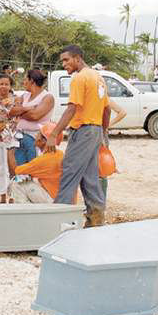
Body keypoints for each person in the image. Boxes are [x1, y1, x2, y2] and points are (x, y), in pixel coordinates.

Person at [46, 45, 110, 227]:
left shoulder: (79, 78)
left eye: (66, 60)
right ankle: (96, 220)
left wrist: (54, 134)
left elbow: (72, 108)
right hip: (95, 130)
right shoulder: (98, 78)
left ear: (77, 58)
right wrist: (103, 133)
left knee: (69, 173)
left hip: (82, 131)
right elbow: (106, 109)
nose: (64, 64)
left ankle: (58, 222)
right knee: (89, 178)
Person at [9, 122, 64, 203]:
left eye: (38, 133)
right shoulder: (59, 154)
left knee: (18, 184)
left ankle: (22, 213)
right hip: (59, 198)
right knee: (30, 182)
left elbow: (14, 170)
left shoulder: (44, 159)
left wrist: (10, 146)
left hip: (53, 201)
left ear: (43, 141)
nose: (35, 136)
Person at [9, 69, 55, 167]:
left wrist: (20, 112)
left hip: (36, 138)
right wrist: (27, 108)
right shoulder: (25, 95)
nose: (23, 82)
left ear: (32, 81)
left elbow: (35, 116)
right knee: (21, 170)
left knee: (34, 169)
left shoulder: (47, 97)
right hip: (20, 136)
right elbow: (11, 112)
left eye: (25, 79)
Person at [0, 73, 20, 203]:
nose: (4, 86)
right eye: (1, 84)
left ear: (11, 85)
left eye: (7, 84)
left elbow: (18, 118)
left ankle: (12, 196)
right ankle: (2, 196)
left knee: (10, 169)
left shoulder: (16, 100)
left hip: (9, 139)